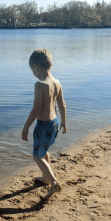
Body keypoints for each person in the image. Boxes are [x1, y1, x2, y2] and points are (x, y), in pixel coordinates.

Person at [22, 49, 67, 199]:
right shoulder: (57, 82)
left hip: (43, 125)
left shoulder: (40, 85)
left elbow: (36, 109)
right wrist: (64, 122)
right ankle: (46, 177)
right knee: (44, 151)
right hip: (54, 123)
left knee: (37, 156)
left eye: (32, 69)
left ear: (36, 67)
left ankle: (54, 183)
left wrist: (26, 127)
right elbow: (62, 105)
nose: (32, 73)